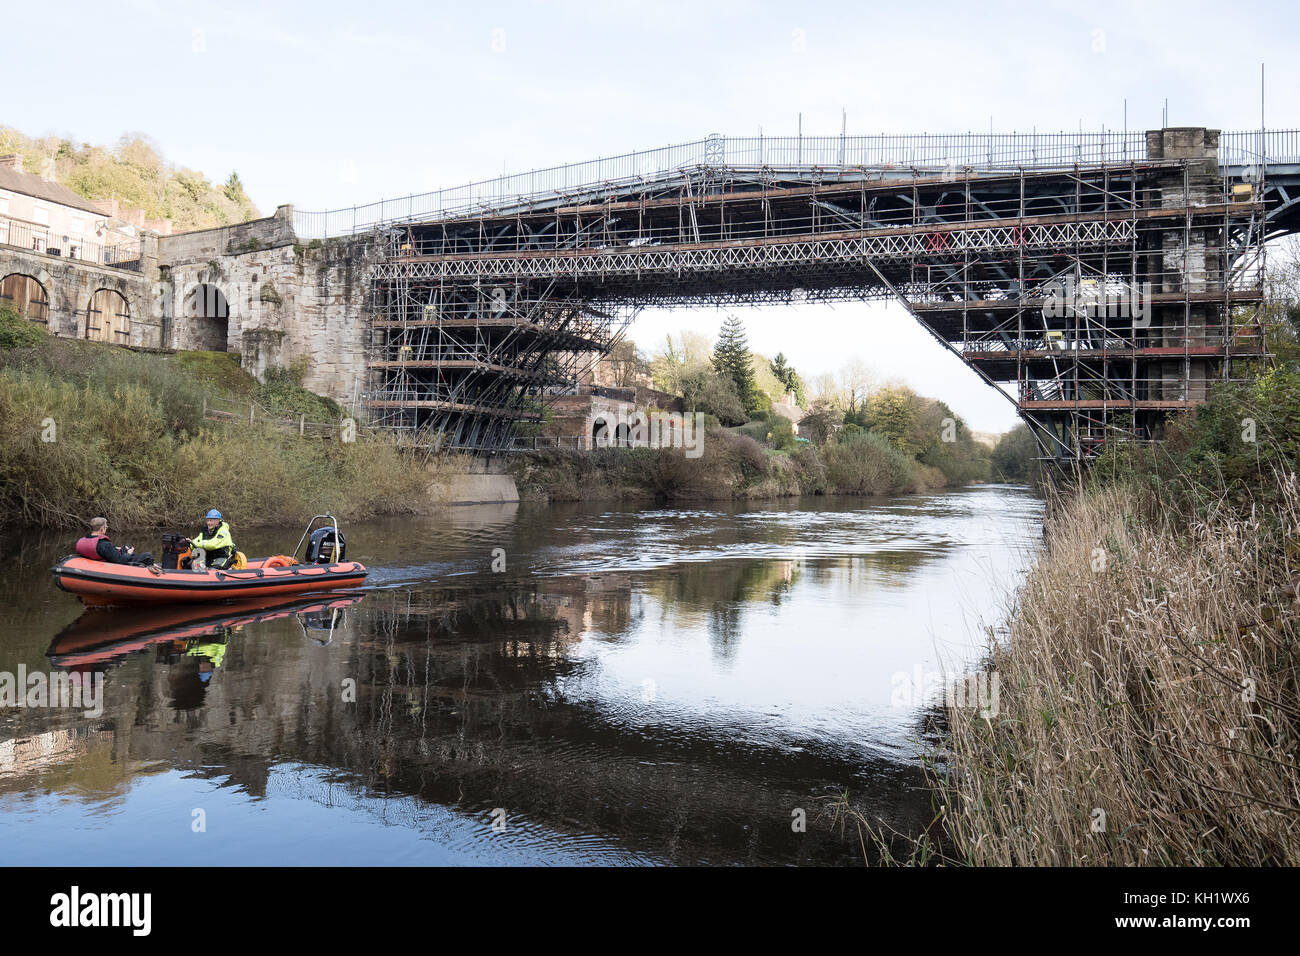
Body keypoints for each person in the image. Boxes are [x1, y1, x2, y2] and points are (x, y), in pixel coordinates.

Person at [74, 517, 154, 566]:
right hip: (115, 565)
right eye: (106, 527)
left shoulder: (82, 540)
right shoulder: (103, 544)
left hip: (101, 560)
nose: (106, 528)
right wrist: (128, 553)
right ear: (102, 529)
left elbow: (101, 551)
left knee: (126, 547)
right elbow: (120, 561)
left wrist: (119, 549)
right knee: (148, 556)